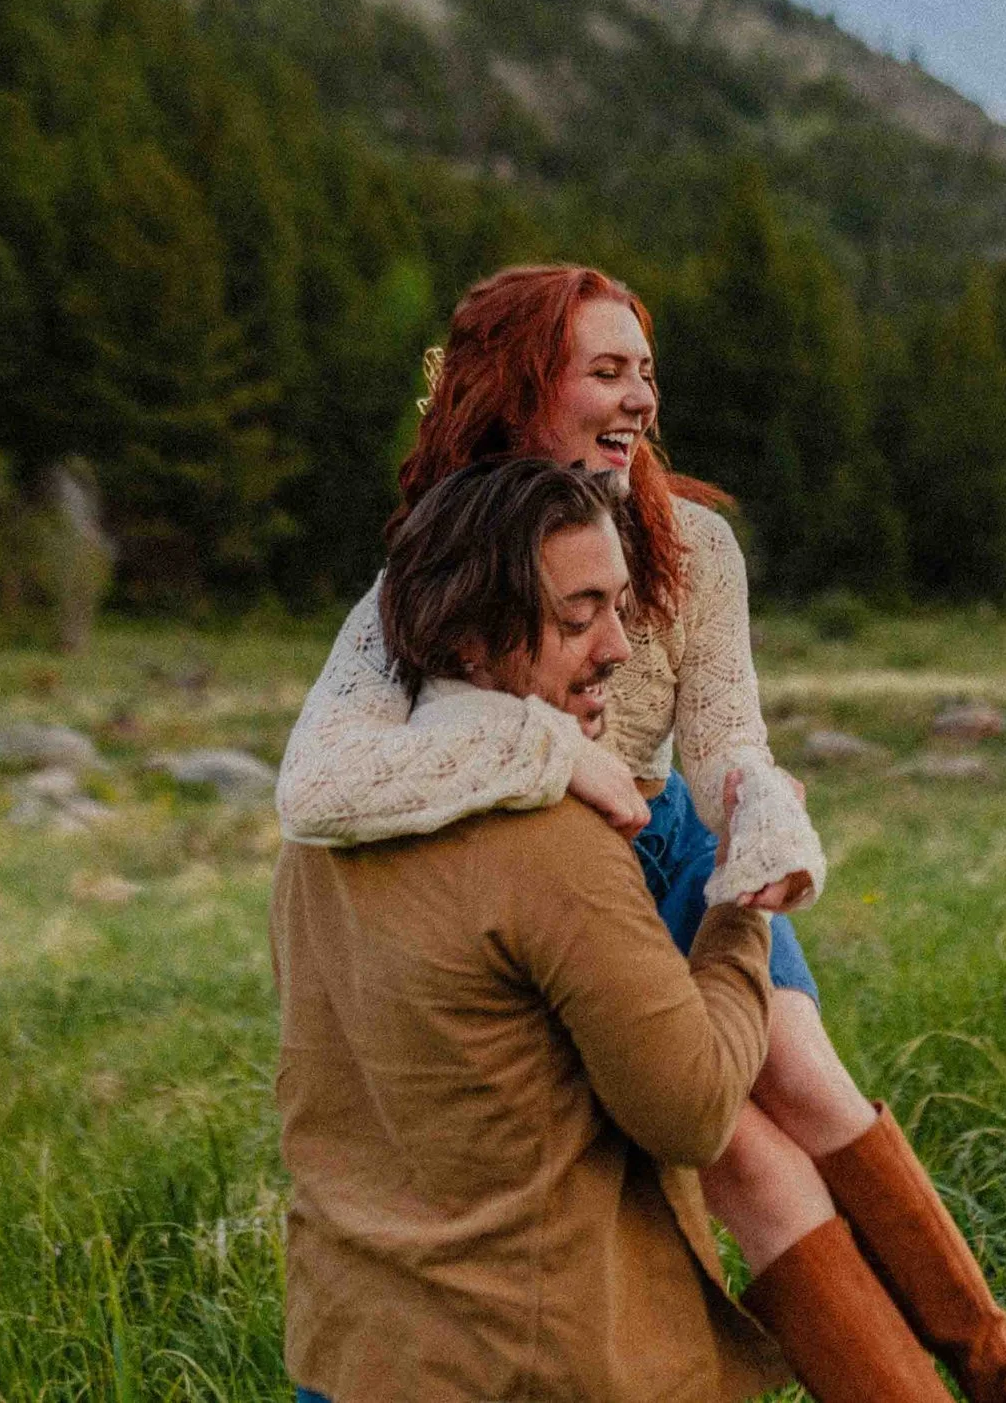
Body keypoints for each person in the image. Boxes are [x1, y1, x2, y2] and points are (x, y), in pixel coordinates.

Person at [278, 265, 1006, 1403]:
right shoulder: (449, 560)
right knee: (737, 1147)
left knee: (810, 1080)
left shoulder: (690, 542)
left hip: (671, 836)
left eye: (646, 372)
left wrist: (766, 811)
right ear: (518, 387)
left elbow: (727, 731)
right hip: (563, 846)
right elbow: (319, 776)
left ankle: (1001, 1372)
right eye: (604, 371)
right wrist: (552, 754)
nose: (638, 397)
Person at [275, 458, 942, 1402]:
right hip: (533, 1366)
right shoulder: (552, 842)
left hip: (350, 1359)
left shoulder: (321, 837)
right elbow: (697, 1106)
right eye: (579, 615)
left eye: (622, 609)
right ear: (468, 639)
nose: (622, 648)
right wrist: (736, 893)